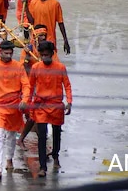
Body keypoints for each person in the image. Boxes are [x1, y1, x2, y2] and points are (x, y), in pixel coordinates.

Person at [0, 40, 30, 180]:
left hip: (15, 106)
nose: (8, 56)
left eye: (10, 53)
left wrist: (25, 100)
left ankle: (9, 159)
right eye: (5, 53)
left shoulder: (18, 66)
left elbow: (26, 86)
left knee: (10, 136)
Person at [26, 40, 72, 176]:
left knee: (57, 132)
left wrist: (69, 101)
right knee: (42, 136)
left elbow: (67, 85)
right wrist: (27, 104)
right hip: (40, 105)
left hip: (56, 104)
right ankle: (42, 167)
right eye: (42, 55)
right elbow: (30, 86)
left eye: (47, 55)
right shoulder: (36, 68)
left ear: (52, 54)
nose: (44, 58)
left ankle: (56, 155)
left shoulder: (60, 67)